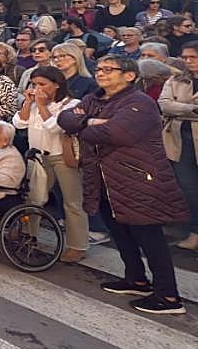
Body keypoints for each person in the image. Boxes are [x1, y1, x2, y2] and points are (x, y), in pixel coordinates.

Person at [59, 55, 189, 315]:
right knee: (120, 232)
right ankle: (136, 280)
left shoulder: (140, 102)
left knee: (149, 237)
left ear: (130, 76)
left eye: (109, 69)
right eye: (99, 68)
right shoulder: (94, 99)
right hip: (104, 179)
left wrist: (83, 125)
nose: (101, 73)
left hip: (136, 178)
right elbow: (64, 118)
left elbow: (116, 133)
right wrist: (90, 122)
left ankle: (168, 296)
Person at [12, 65, 86, 262]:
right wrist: (29, 103)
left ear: (57, 84)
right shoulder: (34, 103)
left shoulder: (71, 104)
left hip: (61, 156)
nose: (37, 88)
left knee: (72, 202)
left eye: (42, 84)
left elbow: (55, 128)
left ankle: (77, 245)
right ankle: (29, 235)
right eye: (34, 84)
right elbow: (19, 123)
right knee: (33, 198)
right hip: (37, 156)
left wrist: (42, 106)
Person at [160, 42, 198, 252]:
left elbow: (173, 107)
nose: (188, 61)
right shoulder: (176, 79)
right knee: (189, 189)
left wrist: (180, 110)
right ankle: (195, 232)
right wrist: (193, 109)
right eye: (185, 57)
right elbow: (165, 104)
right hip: (181, 140)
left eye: (193, 57)